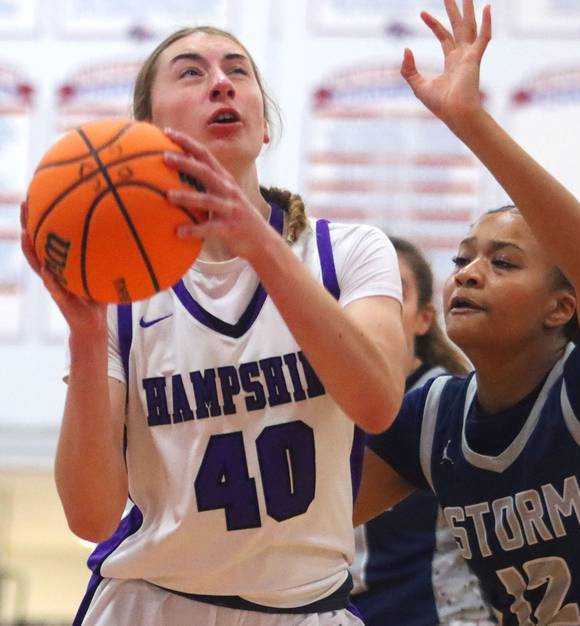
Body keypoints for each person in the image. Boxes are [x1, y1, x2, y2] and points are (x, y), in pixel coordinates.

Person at [20, 26, 406, 625]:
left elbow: (378, 403)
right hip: (153, 603)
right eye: (191, 72)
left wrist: (259, 243)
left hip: (310, 607)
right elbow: (90, 515)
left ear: (264, 123)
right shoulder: (122, 294)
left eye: (237, 70)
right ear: (144, 132)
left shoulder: (347, 253)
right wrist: (87, 334)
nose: (221, 83)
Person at [354, 1, 580, 623]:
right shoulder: (434, 418)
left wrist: (470, 122)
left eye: (503, 262)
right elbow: (310, 510)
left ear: (561, 307)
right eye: (464, 260)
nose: (469, 272)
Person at [350, 236, 492, 625]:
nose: (372, 306)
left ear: (424, 318)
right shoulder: (322, 403)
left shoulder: (449, 404)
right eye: (359, 290)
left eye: (393, 292)